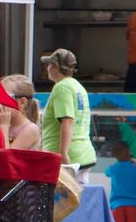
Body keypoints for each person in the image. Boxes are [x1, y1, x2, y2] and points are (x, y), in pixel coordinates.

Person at [40, 48, 96, 182]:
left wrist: (63, 154)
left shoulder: (62, 88)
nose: (47, 68)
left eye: (49, 64)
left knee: (65, 202)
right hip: (83, 154)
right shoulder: (77, 86)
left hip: (69, 159)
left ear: (55, 67)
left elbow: (67, 121)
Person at [0, 74, 41, 150]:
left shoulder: (31, 129)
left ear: (22, 102)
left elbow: (8, 157)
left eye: (4, 97)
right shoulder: (0, 123)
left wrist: (4, 125)